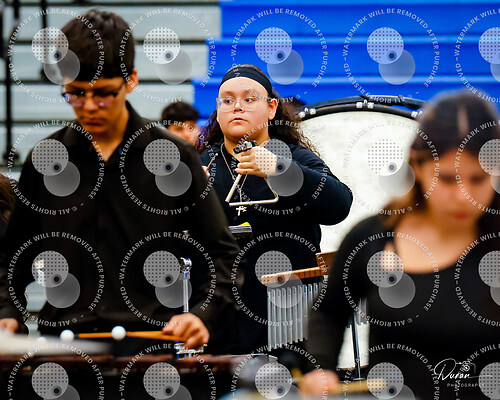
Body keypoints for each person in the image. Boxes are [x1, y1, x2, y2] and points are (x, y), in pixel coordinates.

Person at [0, 9, 240, 353]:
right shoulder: (46, 160)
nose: (89, 107)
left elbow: (222, 253)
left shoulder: (174, 158)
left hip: (150, 349)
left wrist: (203, 314)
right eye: (75, 93)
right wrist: (7, 312)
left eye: (103, 93)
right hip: (64, 350)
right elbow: (11, 258)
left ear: (131, 80)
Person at [301, 92, 500, 399]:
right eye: (448, 180)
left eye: (478, 179)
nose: (463, 196)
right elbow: (328, 312)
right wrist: (321, 367)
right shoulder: (373, 238)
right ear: (418, 166)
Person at [198, 64, 353, 353]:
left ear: (271, 108)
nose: (237, 107)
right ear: (218, 110)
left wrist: (280, 170)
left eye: (249, 99)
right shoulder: (199, 165)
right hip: (219, 319)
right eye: (227, 100)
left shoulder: (295, 158)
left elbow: (339, 205)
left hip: (287, 319)